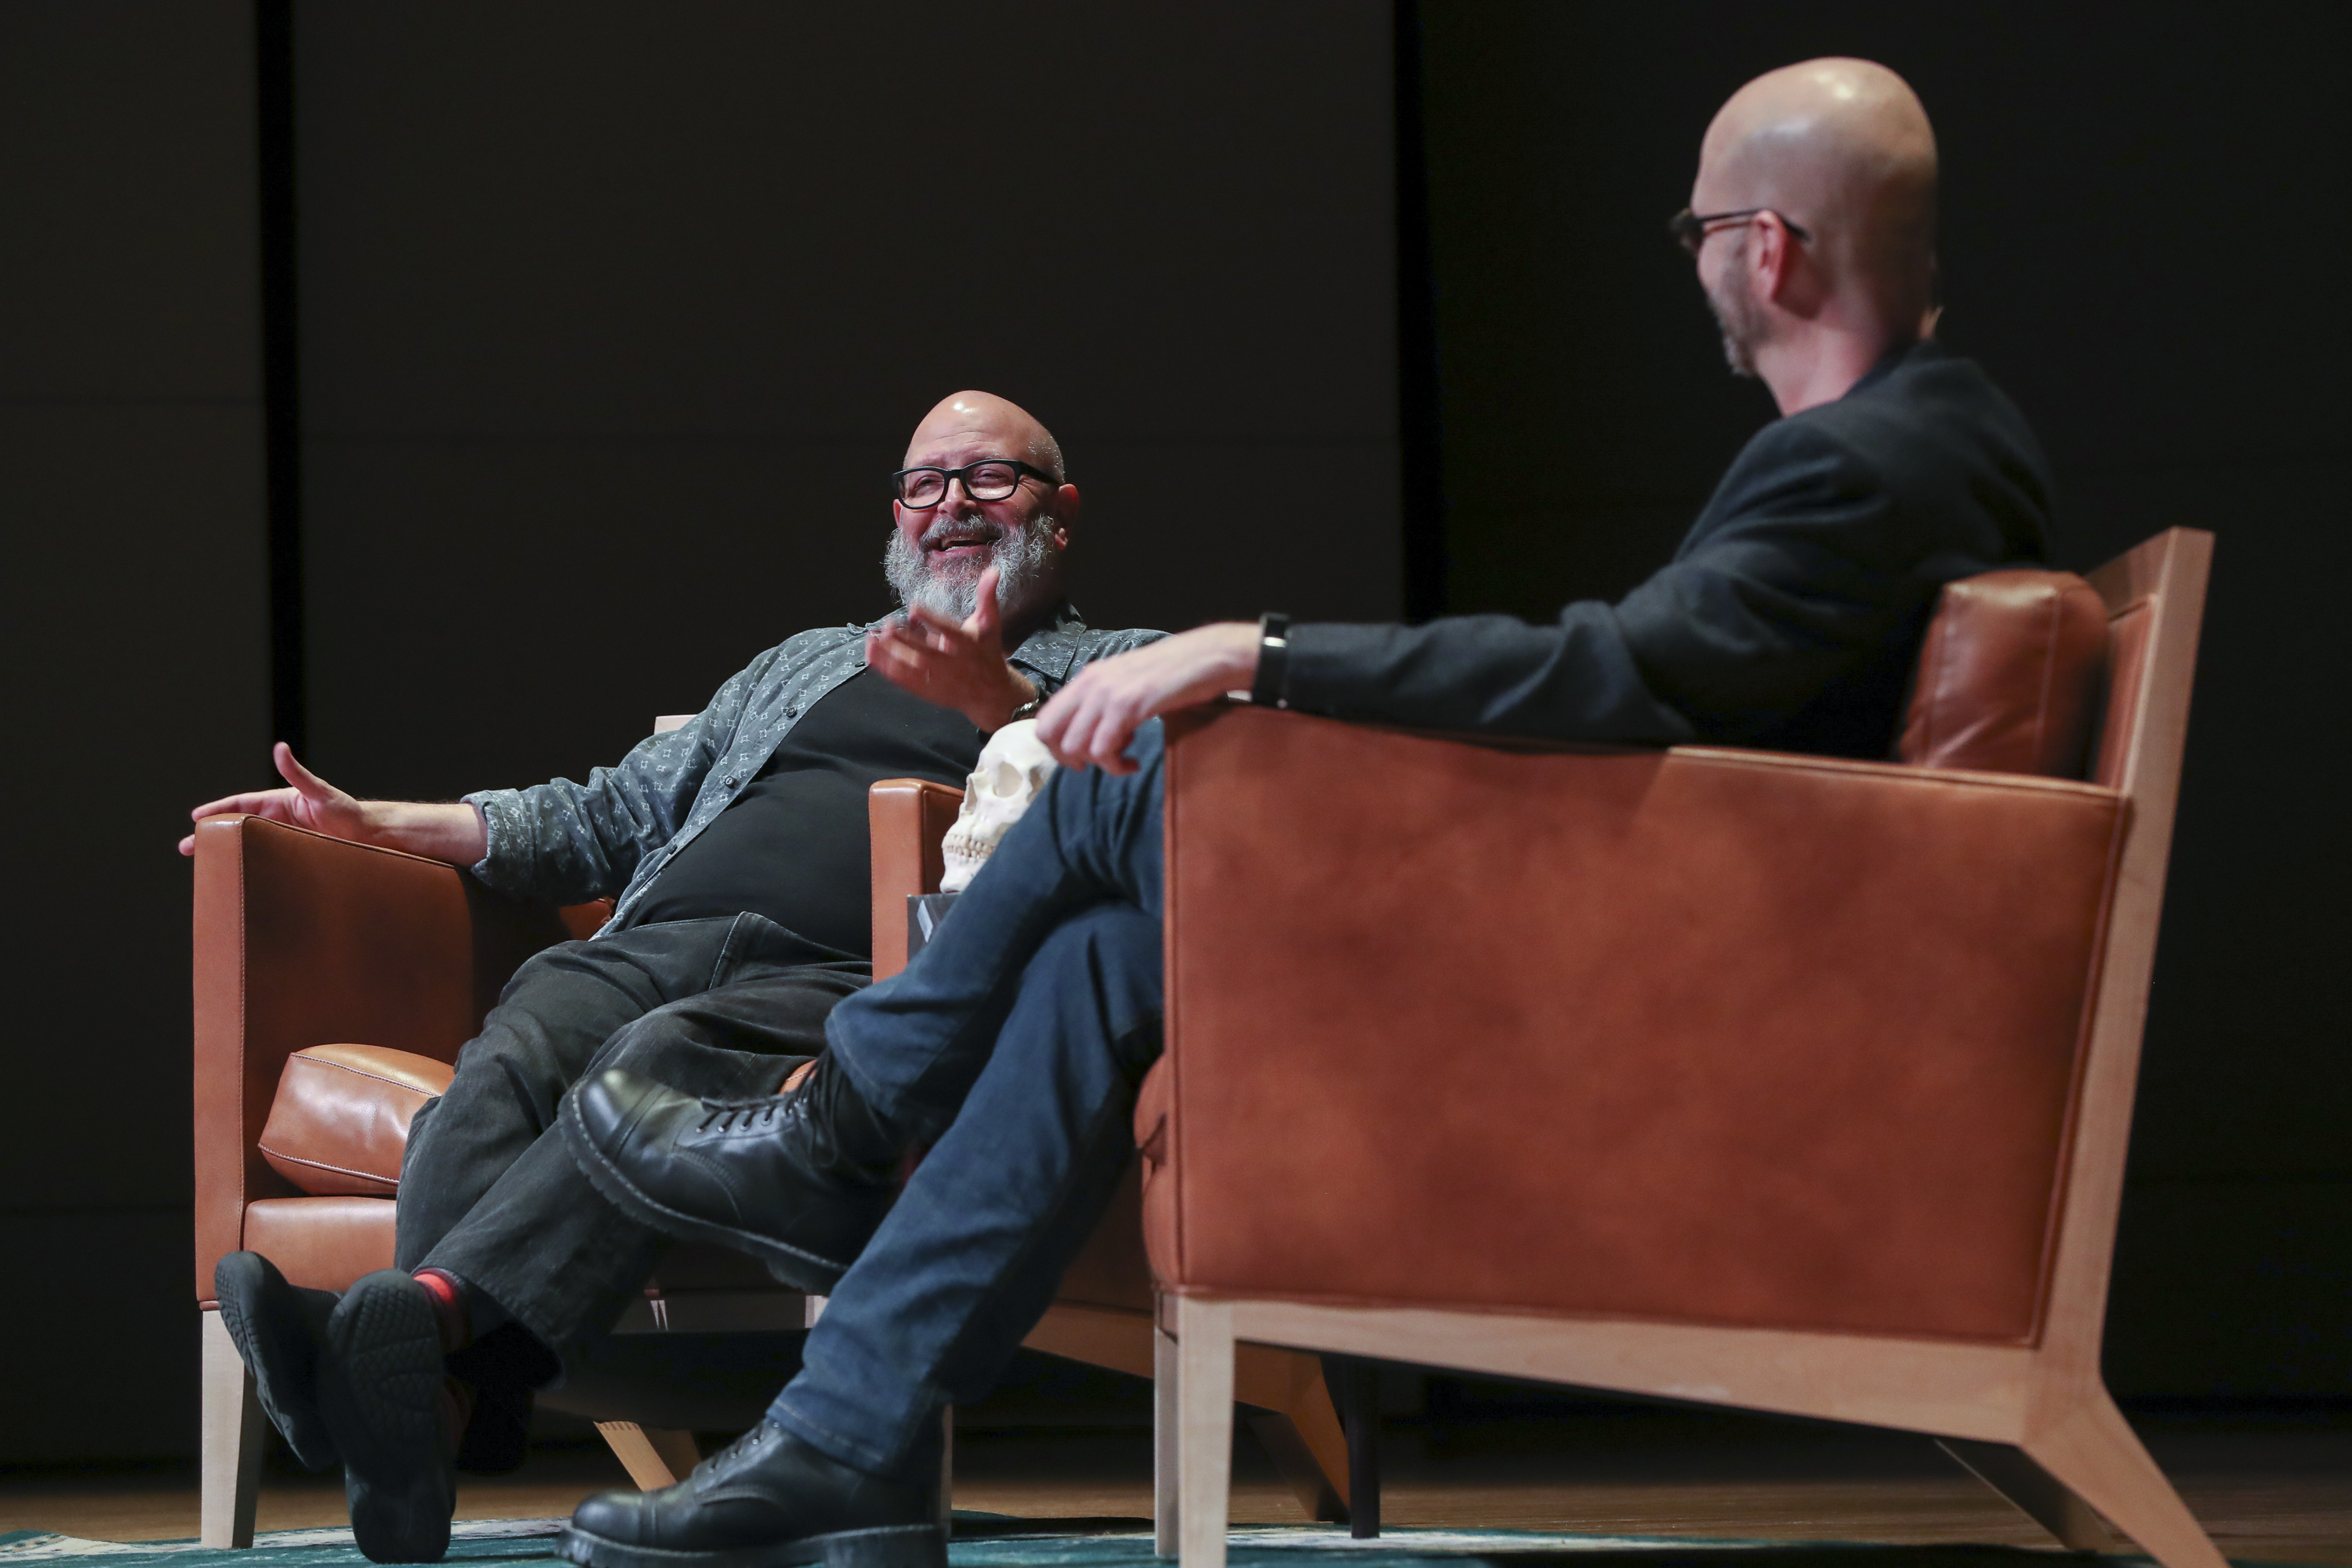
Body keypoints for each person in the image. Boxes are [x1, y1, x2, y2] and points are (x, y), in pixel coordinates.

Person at [555, 57, 2061, 1568]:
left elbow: (1619, 671)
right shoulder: (1932, 444)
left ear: (1770, 248)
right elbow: (1661, 689)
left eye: (1702, 234)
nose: (1707, 270)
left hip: (1650, 992)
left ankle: (840, 1117)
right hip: (1667, 921)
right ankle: (846, 1442)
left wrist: (1251, 652)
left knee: (1142, 767)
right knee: (1101, 962)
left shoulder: (1864, 464)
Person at [189, 392, 1162, 1564]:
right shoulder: (805, 662)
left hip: (856, 972)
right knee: (518, 1045)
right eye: (924, 483)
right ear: (896, 517)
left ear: (1060, 513)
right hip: (651, 940)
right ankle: (434, 1400)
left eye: (989, 479)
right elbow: (606, 813)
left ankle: (415, 1366)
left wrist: (1006, 709)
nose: (951, 504)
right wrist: (368, 821)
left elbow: (1140, 804)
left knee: (655, 1065)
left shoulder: (1121, 667)